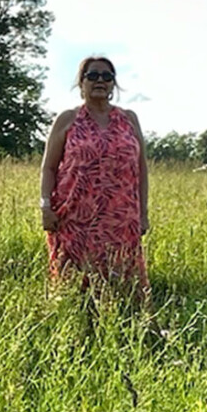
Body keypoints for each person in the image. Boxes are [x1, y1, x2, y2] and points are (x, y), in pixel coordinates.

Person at [37, 55, 150, 291]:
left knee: (121, 282)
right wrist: (45, 206)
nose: (100, 80)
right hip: (74, 218)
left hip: (120, 219)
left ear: (113, 84)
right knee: (74, 283)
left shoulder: (129, 119)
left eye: (107, 76)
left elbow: (141, 169)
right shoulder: (68, 119)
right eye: (93, 75)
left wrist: (143, 214)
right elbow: (48, 167)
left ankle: (122, 323)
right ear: (81, 83)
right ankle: (75, 324)